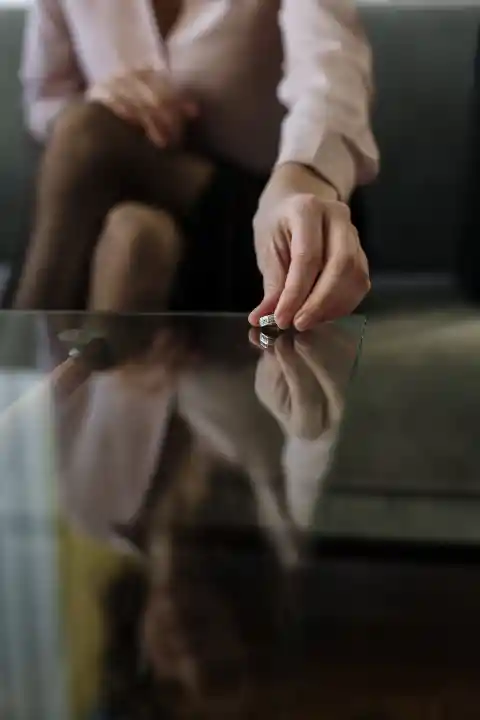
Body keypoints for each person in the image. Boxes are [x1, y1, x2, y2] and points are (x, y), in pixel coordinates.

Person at [14, 0, 379, 329]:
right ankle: (91, 374)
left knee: (88, 133)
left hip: (259, 220)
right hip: (135, 213)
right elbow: (45, 101)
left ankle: (18, 347)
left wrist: (300, 178)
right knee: (135, 232)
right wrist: (106, 98)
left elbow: (330, 79)